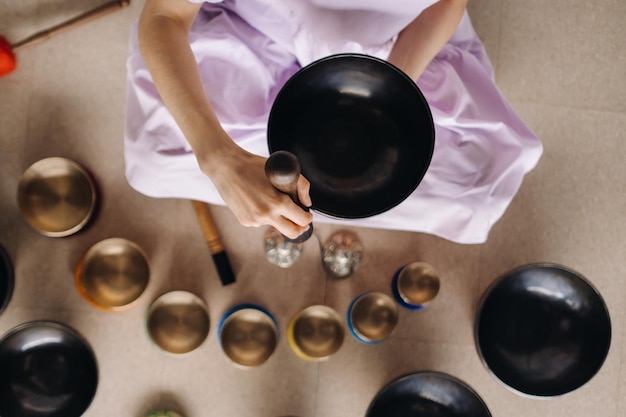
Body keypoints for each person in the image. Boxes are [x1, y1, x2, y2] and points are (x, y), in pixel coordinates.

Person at [124, 0, 543, 244]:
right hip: (257, 34)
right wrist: (217, 157)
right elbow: (164, 17)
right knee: (151, 161)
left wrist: (394, 85)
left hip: (394, 48)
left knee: (477, 196)